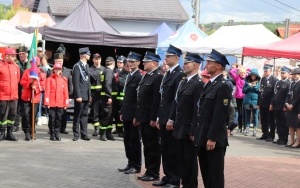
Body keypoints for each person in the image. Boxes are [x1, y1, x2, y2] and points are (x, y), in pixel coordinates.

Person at [193, 49, 232, 188]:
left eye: (210, 62)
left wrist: (213, 138)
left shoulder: (223, 86)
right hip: (203, 135)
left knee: (215, 175)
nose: (206, 65)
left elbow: (221, 114)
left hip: (213, 138)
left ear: (219, 66)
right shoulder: (210, 84)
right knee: (206, 173)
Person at [168, 52, 204, 188]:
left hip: (189, 129)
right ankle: (184, 183)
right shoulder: (184, 82)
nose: (184, 65)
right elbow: (177, 103)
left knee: (190, 161)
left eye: (187, 63)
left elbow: (197, 110)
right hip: (180, 127)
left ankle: (190, 185)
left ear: (195, 65)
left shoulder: (198, 84)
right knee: (181, 159)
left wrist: (194, 130)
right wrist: (172, 120)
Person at [153, 44, 184, 188]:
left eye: (169, 56)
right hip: (164, 117)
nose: (166, 58)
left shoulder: (179, 74)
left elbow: (176, 99)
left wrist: (171, 118)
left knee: (172, 150)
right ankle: (167, 175)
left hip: (171, 118)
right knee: (164, 148)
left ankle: (174, 179)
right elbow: (163, 98)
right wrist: (159, 116)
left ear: (177, 58)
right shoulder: (168, 73)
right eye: (166, 56)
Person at [135, 51, 163, 182]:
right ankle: (149, 170)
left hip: (150, 118)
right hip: (143, 117)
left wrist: (153, 118)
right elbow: (141, 99)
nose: (144, 63)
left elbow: (156, 100)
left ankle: (154, 172)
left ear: (155, 63)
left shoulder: (158, 77)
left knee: (153, 146)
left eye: (147, 61)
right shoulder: (146, 76)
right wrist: (138, 116)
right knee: (147, 145)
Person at [118, 51, 143, 174]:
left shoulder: (139, 76)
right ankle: (130, 162)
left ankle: (136, 165)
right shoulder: (129, 75)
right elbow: (126, 97)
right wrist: (122, 112)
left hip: (134, 115)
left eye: (133, 62)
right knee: (127, 140)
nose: (131, 64)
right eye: (129, 62)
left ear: (138, 63)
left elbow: (139, 99)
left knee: (135, 141)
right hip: (127, 113)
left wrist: (137, 116)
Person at [20, 57, 46, 141]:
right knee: (25, 114)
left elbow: (43, 86)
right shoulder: (26, 72)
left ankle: (32, 131)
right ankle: (26, 131)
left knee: (33, 115)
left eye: (35, 62)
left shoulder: (41, 73)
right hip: (26, 97)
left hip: (35, 97)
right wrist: (29, 83)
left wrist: (36, 88)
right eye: (32, 62)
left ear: (39, 63)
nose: (33, 64)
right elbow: (22, 82)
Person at [44, 63, 69, 141]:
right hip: (52, 103)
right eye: (56, 69)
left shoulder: (64, 80)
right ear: (53, 70)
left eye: (59, 69)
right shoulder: (49, 79)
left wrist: (66, 103)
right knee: (52, 119)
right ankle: (52, 134)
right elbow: (47, 92)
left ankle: (57, 134)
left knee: (58, 119)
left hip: (60, 103)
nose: (57, 71)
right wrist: (47, 103)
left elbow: (66, 93)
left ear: (61, 70)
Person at [0, 48, 20, 141]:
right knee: (2, 114)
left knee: (12, 115)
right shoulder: (1, 66)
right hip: (3, 95)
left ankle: (10, 133)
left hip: (14, 95)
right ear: (6, 56)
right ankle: (2, 133)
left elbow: (17, 80)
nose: (14, 57)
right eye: (12, 56)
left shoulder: (16, 67)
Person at [72, 47, 91, 141]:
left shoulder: (87, 66)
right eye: (88, 54)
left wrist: (90, 95)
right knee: (78, 115)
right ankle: (76, 134)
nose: (89, 56)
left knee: (85, 115)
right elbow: (75, 82)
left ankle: (84, 134)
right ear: (84, 55)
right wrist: (78, 95)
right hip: (80, 96)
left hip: (86, 95)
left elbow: (88, 83)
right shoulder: (77, 66)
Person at [257, 64, 278, 142]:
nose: (265, 72)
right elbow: (260, 92)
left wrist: (271, 103)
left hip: (269, 103)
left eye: (266, 71)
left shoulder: (274, 80)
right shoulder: (263, 79)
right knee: (263, 119)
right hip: (262, 103)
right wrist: (259, 103)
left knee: (270, 120)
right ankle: (265, 133)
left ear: (270, 71)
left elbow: (274, 93)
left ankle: (271, 135)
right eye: (264, 71)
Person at [98, 56, 118, 141]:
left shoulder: (104, 71)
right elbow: (107, 84)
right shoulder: (109, 72)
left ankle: (108, 133)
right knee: (106, 116)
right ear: (113, 63)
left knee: (110, 116)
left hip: (106, 97)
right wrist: (109, 96)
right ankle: (102, 134)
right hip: (108, 98)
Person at [270, 66, 291, 145]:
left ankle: (284, 139)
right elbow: (274, 94)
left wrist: (285, 106)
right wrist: (272, 104)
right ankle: (279, 137)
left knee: (284, 123)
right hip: (277, 106)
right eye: (281, 73)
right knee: (278, 123)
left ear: (288, 74)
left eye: (283, 73)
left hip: (283, 107)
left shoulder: (289, 83)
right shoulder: (278, 83)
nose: (282, 74)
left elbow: (288, 96)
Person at [13, 46, 31, 132]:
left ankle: (28, 126)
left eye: (23, 54)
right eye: (20, 54)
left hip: (28, 89)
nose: (21, 55)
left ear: (27, 54)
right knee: (17, 108)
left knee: (25, 110)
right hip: (18, 88)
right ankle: (15, 125)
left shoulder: (31, 64)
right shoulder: (16, 64)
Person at [89, 53, 105, 137]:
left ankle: (102, 128)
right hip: (94, 94)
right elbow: (88, 84)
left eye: (98, 59)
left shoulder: (104, 69)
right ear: (93, 60)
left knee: (103, 112)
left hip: (102, 95)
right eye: (95, 59)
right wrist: (89, 95)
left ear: (101, 59)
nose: (97, 60)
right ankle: (96, 129)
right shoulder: (90, 70)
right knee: (95, 112)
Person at [285, 67, 300, 148]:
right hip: (290, 106)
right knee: (290, 124)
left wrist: (292, 105)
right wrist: (287, 103)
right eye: (293, 74)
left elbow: (298, 97)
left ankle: (297, 142)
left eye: (295, 74)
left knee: (298, 126)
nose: (294, 76)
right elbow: (288, 94)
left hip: (297, 107)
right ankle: (292, 140)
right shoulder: (292, 83)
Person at [242, 68, 260, 136]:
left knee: (255, 115)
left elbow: (259, 91)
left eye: (254, 76)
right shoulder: (247, 81)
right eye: (252, 75)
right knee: (247, 115)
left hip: (255, 101)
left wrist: (254, 86)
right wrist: (249, 86)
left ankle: (255, 129)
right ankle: (247, 128)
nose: (253, 77)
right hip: (247, 100)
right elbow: (243, 91)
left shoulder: (259, 82)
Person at [115, 58, 130, 137]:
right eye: (127, 66)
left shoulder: (132, 73)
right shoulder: (121, 73)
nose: (129, 68)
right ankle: (119, 130)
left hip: (129, 100)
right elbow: (121, 83)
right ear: (124, 66)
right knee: (119, 115)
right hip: (120, 100)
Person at [230, 65, 247, 134]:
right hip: (238, 97)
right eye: (241, 73)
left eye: (244, 73)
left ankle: (245, 127)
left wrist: (245, 68)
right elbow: (231, 71)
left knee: (245, 113)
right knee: (239, 113)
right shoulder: (237, 78)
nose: (242, 74)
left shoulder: (247, 78)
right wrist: (238, 68)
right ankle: (240, 128)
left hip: (245, 97)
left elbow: (251, 70)